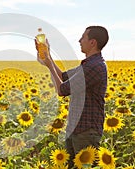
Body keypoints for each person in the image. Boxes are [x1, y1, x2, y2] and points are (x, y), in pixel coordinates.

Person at [35, 26, 109, 168]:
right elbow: (63, 77)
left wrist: (50, 65)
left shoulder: (95, 67)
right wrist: (48, 58)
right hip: (76, 129)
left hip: (86, 132)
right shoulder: (88, 64)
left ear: (92, 42)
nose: (79, 40)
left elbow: (62, 90)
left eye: (83, 37)